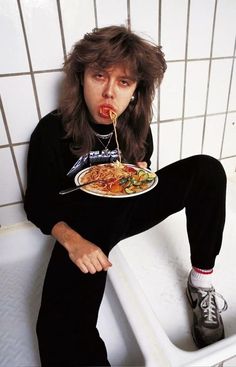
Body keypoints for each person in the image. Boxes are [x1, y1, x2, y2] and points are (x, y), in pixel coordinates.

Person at [24, 25, 228, 366]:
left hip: (126, 206)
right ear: (81, 78)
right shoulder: (52, 130)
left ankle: (201, 284)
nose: (109, 93)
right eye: (99, 76)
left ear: (135, 90)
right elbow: (38, 204)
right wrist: (74, 242)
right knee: (58, 327)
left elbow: (140, 178)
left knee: (207, 170)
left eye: (123, 82)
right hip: (84, 224)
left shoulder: (135, 126)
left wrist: (140, 170)